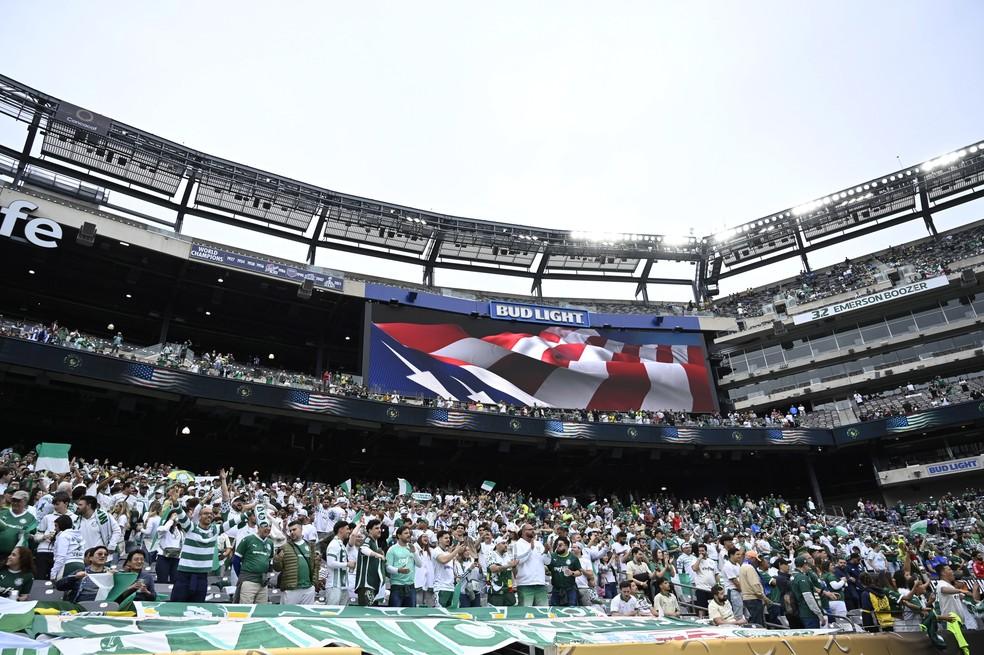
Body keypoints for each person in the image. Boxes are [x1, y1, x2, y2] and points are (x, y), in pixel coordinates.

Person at [169, 469, 241, 602]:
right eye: (205, 513)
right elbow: (181, 514)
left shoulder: (215, 530)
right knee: (177, 606)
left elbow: (233, 520)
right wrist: (175, 502)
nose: (209, 515)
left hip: (202, 576)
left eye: (211, 514)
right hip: (184, 575)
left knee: (197, 608)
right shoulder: (191, 527)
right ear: (199, 516)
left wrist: (251, 512)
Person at [274, 520, 321, 604]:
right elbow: (277, 568)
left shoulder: (311, 546)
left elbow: (315, 567)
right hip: (291, 589)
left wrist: (314, 584)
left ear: (301, 529)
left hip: (308, 588)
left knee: (306, 615)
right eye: (290, 530)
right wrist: (277, 559)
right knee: (288, 615)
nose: (292, 532)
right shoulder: (284, 547)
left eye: (294, 529)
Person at [33, 491, 74, 580]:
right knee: (40, 579)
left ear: (66, 503)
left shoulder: (74, 517)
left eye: (57, 504)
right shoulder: (47, 517)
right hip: (44, 551)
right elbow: (36, 536)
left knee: (57, 580)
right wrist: (44, 536)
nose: (55, 507)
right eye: (54, 504)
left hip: (62, 554)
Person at [233, 519, 274, 604]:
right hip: (248, 581)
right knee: (245, 609)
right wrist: (242, 576)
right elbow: (236, 560)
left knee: (261, 610)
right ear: (258, 527)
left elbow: (269, 561)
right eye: (265, 526)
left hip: (263, 582)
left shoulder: (270, 543)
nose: (268, 528)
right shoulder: (248, 540)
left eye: (270, 526)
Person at [514, 522, 550, 606]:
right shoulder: (517, 544)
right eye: (530, 529)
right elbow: (518, 560)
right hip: (525, 584)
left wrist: (546, 551)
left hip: (540, 583)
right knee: (526, 612)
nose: (533, 531)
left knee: (543, 612)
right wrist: (530, 549)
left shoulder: (538, 543)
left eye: (533, 529)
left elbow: (547, 562)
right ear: (523, 532)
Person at [386, 525, 420, 607]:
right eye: (405, 533)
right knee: (394, 614)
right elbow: (387, 568)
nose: (408, 535)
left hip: (411, 586)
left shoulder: (412, 548)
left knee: (410, 615)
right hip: (397, 587)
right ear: (399, 535)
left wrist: (414, 552)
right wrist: (399, 570)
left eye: (409, 533)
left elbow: (420, 564)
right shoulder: (392, 549)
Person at [355, 519, 387, 606]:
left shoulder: (374, 543)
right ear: (369, 530)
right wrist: (377, 555)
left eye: (380, 528)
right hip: (366, 584)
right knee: (366, 613)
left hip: (373, 584)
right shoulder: (368, 540)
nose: (379, 530)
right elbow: (363, 549)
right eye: (376, 528)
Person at [322, 521, 355, 606]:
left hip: (343, 585)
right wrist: (347, 564)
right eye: (347, 529)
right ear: (340, 530)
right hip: (334, 586)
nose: (349, 531)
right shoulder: (333, 544)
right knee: (332, 614)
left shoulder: (341, 544)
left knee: (343, 614)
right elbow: (330, 563)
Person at [0, 490, 39, 561]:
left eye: (18, 501)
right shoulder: (2, 513)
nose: (15, 503)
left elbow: (30, 535)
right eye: (13, 500)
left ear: (25, 502)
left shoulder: (30, 518)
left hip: (13, 557)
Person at [432, 530, 465, 607]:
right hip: (441, 587)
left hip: (451, 588)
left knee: (452, 613)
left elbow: (451, 569)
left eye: (449, 538)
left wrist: (456, 576)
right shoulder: (436, 551)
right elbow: (443, 560)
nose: (448, 540)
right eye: (445, 538)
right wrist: (456, 550)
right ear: (439, 539)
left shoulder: (448, 553)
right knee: (441, 613)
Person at [547, 537, 581, 607]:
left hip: (570, 589)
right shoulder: (552, 556)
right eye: (557, 545)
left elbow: (580, 572)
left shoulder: (573, 558)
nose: (558, 547)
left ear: (566, 546)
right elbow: (547, 569)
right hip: (556, 589)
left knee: (572, 609)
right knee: (554, 610)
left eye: (560, 545)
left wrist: (572, 573)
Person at [791, 556, 824, 629]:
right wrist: (819, 614)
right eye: (807, 565)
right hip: (809, 613)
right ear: (804, 565)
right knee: (815, 638)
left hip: (802, 611)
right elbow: (808, 598)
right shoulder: (802, 577)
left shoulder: (794, 576)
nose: (808, 567)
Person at [51, 514, 85, 580]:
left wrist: (53, 573)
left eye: (56, 526)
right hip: (81, 565)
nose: (55, 529)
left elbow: (61, 556)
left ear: (61, 525)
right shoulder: (79, 536)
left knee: (62, 588)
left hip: (68, 566)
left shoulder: (63, 536)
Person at [487, 537, 517, 607]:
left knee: (511, 613)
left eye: (506, 543)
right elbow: (493, 569)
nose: (506, 545)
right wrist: (508, 565)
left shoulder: (508, 555)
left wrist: (514, 566)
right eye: (503, 543)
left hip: (508, 590)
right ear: (497, 545)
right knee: (497, 613)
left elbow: (512, 572)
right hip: (496, 591)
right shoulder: (491, 554)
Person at [739, 550, 766, 626]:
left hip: (747, 597)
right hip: (754, 598)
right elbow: (755, 584)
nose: (757, 562)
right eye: (755, 560)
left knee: (753, 620)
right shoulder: (750, 568)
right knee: (757, 622)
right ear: (752, 559)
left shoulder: (742, 567)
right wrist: (763, 596)